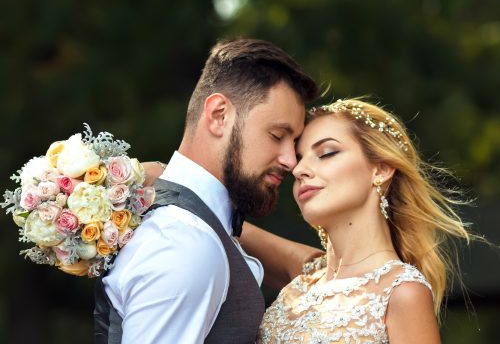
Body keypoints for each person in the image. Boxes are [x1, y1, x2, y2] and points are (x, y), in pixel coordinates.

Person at [93, 38, 320, 344]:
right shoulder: (184, 243)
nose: (291, 161)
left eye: (293, 143)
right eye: (277, 135)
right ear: (218, 116)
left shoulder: (198, 228)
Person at [247, 98, 476, 343]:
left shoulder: (402, 292)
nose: (299, 170)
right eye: (300, 157)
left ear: (380, 170)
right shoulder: (308, 274)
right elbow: (228, 227)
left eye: (327, 153)